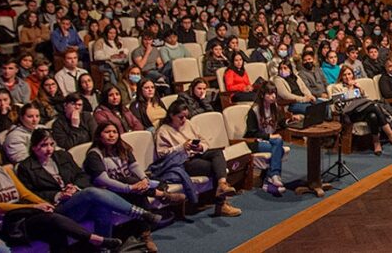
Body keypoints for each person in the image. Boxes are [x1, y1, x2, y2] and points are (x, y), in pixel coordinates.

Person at [0, 139, 121, 251]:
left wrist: (44, 204)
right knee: (50, 219)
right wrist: (35, 206)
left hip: (22, 217)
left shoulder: (6, 170)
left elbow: (24, 193)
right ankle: (94, 239)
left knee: (55, 229)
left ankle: (98, 241)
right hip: (2, 227)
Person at [16, 129, 161, 240]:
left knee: (101, 206)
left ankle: (105, 248)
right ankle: (141, 213)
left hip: (76, 199)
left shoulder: (62, 156)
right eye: (43, 145)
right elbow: (30, 195)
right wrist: (58, 195)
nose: (49, 149)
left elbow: (82, 176)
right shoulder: (26, 167)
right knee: (92, 192)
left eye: (51, 144)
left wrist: (75, 187)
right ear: (34, 147)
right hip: (56, 208)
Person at [83, 122, 185, 252]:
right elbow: (104, 180)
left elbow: (134, 166)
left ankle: (146, 236)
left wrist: (144, 180)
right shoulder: (94, 155)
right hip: (108, 193)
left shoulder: (122, 147)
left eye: (114, 132)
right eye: (107, 132)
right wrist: (129, 187)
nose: (112, 135)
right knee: (131, 183)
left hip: (130, 188)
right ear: (99, 135)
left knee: (139, 194)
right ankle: (162, 196)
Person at [154, 102, 241, 217]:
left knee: (218, 153)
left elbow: (204, 142)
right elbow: (161, 154)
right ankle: (221, 204)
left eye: (186, 116)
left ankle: (222, 185)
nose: (184, 120)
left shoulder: (189, 124)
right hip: (182, 162)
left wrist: (200, 147)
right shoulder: (163, 130)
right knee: (215, 168)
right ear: (171, 115)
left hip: (196, 153)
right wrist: (181, 147)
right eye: (181, 117)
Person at [328, 66, 392, 155]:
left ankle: (376, 143)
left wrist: (359, 88)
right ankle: (390, 135)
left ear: (353, 75)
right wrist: (350, 88)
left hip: (362, 111)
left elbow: (365, 100)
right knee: (375, 106)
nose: (347, 77)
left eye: (349, 74)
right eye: (344, 75)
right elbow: (340, 107)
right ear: (341, 76)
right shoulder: (337, 87)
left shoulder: (356, 85)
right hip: (350, 115)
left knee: (373, 116)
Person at [244, 83, 301, 196]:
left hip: (270, 142)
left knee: (277, 144)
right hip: (255, 143)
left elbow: (280, 123)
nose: (273, 96)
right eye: (270, 94)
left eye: (274, 93)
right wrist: (269, 137)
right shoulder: (254, 111)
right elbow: (251, 132)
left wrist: (290, 120)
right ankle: (275, 175)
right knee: (278, 143)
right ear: (262, 95)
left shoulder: (274, 107)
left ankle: (269, 181)